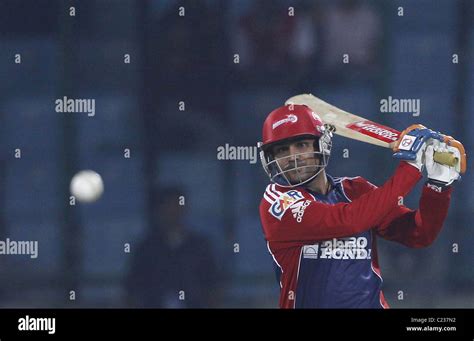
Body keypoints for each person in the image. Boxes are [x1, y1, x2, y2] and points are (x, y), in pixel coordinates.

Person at [257, 104, 466, 308]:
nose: (293, 157)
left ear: (321, 145)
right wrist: (411, 167)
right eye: (282, 150)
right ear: (271, 158)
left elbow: (419, 234)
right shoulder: (277, 203)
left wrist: (437, 188)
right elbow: (349, 221)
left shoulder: (355, 189)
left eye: (301, 145)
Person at [125, 186, 220, 308]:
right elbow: (132, 287)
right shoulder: (146, 247)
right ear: (159, 210)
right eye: (169, 206)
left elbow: (212, 283)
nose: (173, 211)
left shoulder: (200, 246)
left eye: (177, 206)